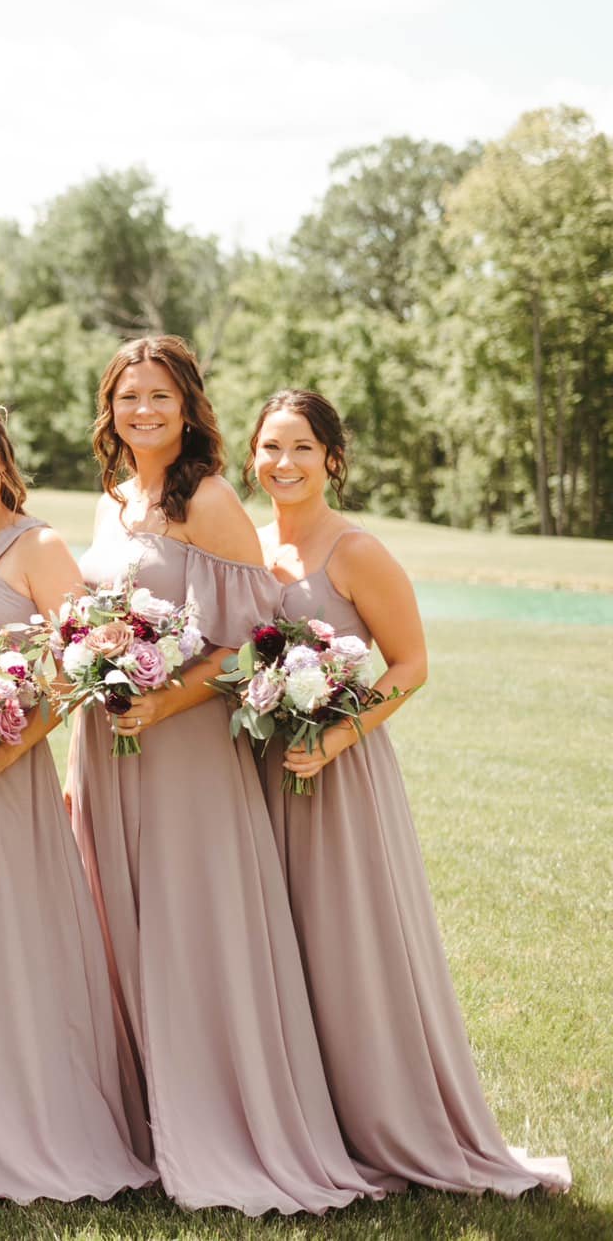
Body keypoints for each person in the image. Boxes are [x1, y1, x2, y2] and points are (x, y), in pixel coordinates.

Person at [66, 336, 386, 1215]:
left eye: (160, 397)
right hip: (110, 745)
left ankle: (222, 1128)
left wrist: (164, 705)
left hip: (185, 749)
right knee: (122, 928)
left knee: (190, 934)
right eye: (129, 397)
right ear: (111, 409)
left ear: (188, 406)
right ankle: (148, 1120)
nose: (144, 412)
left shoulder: (206, 499)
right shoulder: (115, 497)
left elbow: (252, 640)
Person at [248, 389, 567, 1195]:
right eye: (270, 448)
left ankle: (386, 1117)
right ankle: (299, 1117)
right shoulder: (248, 547)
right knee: (275, 949)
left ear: (332, 459)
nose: (283, 464)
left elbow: (411, 665)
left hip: (339, 772)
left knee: (347, 940)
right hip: (257, 772)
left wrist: (336, 735)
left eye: (301, 449)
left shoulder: (354, 551)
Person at [0, 397, 155, 1205]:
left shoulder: (39, 546)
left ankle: (24, 1124)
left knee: (5, 950)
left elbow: (81, 667)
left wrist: (8, 747)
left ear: (2, 458)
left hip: (5, 780)